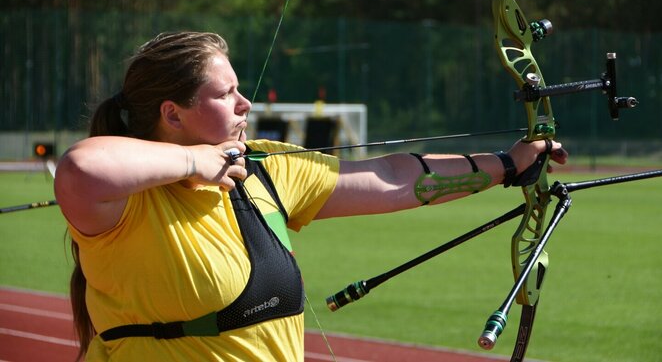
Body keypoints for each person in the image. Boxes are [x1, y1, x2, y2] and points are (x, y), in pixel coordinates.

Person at [54, 31, 567, 362]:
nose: (244, 102)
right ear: (173, 114)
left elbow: (391, 177)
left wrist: (507, 165)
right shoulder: (124, 204)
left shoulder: (261, 168)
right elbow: (81, 168)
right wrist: (195, 163)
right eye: (224, 94)